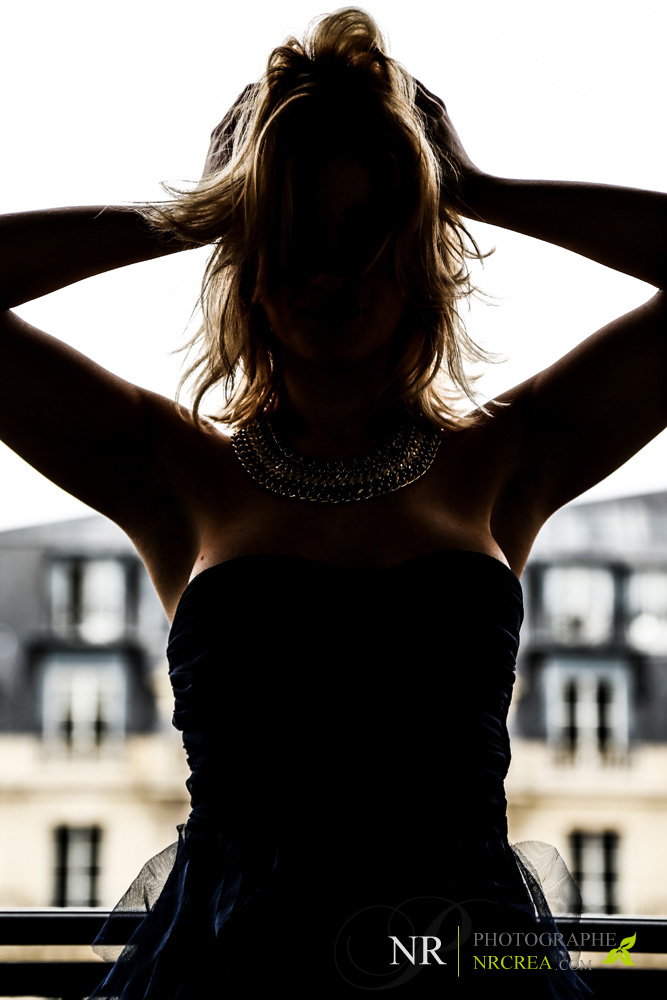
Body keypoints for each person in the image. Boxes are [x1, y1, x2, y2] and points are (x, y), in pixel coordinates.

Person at [1, 6, 664, 997]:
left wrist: (474, 189)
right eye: (297, 233)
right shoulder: (167, 468)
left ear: (415, 254)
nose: (333, 273)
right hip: (229, 978)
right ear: (250, 264)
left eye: (367, 234)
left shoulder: (509, 456)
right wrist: (202, 209)